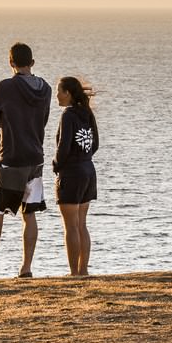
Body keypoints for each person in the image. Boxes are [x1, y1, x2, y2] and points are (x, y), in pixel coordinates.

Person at [0, 42, 52, 279]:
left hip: (12, 158)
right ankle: (26, 268)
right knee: (30, 213)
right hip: (36, 158)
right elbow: (43, 120)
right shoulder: (46, 89)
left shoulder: (6, 87)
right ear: (32, 63)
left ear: (10, 62)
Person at [53, 76, 100, 277]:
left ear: (68, 94)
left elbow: (63, 147)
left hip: (71, 173)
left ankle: (73, 272)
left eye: (59, 91)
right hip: (88, 170)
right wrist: (84, 157)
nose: (56, 95)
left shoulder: (68, 115)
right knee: (81, 224)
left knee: (70, 226)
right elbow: (95, 143)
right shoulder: (87, 113)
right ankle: (83, 270)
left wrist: (57, 165)